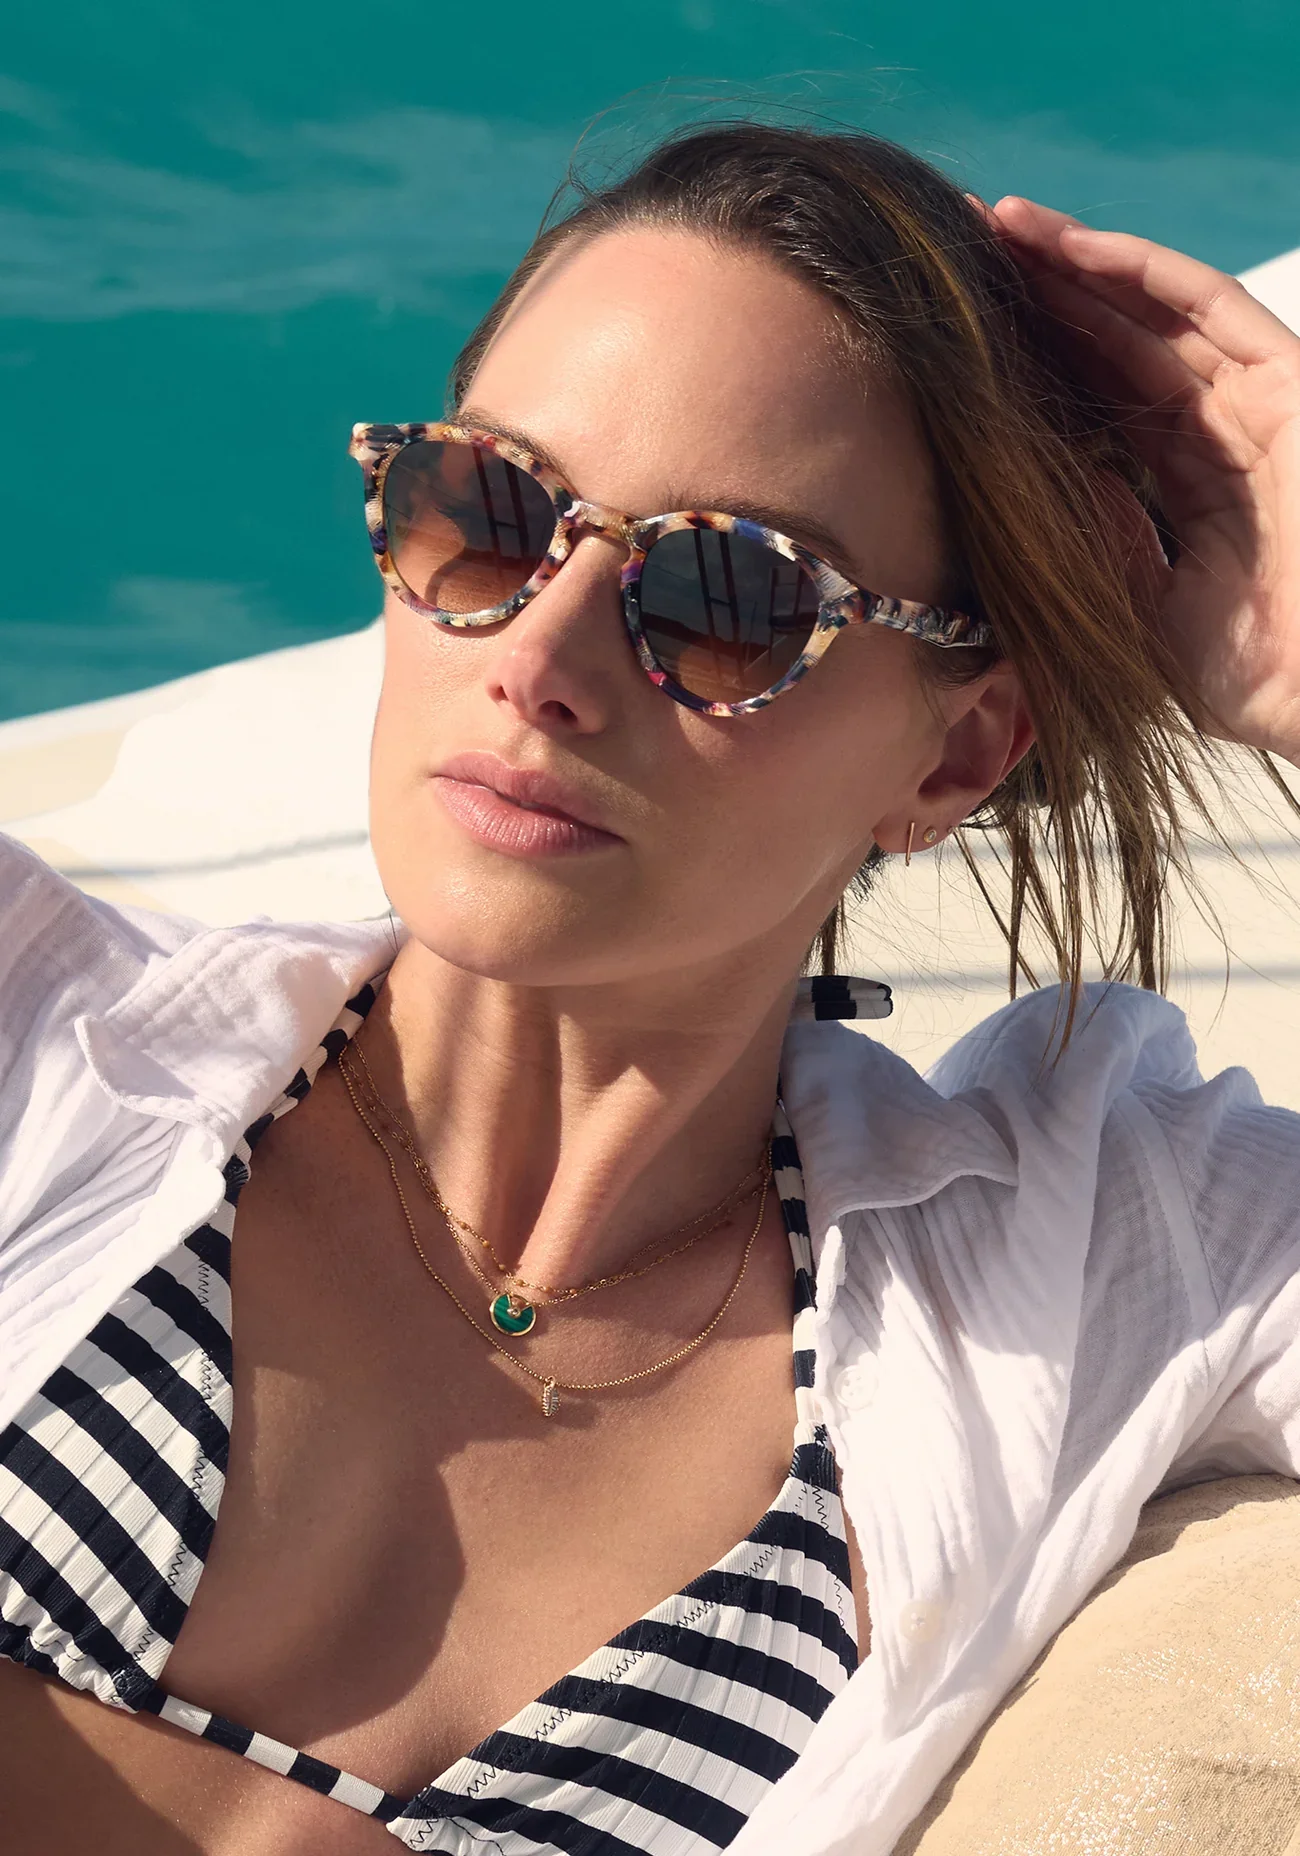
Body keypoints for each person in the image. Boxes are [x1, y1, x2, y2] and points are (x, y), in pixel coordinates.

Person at [0, 120, 1297, 1856]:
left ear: (956, 756)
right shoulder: (41, 1038)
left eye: (724, 595)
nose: (538, 659)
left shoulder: (1070, 1266)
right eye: (487, 512)